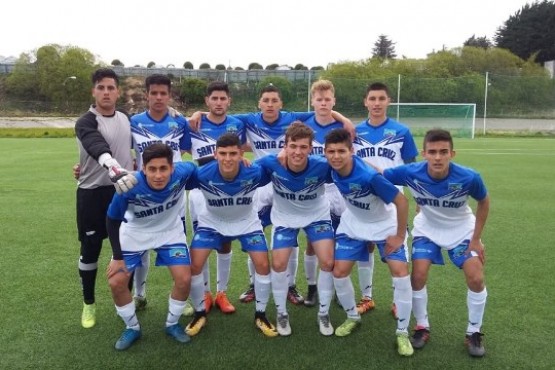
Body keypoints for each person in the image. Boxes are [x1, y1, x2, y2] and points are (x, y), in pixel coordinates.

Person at [190, 84, 354, 306]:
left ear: (281, 103)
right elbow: (220, 112)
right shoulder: (248, 120)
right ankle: (253, 284)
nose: (270, 104)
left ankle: (291, 285)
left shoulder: (292, 117)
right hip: (262, 179)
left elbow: (321, 109)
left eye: (274, 100)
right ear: (259, 103)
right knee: (257, 232)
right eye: (265, 100)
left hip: (287, 180)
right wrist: (197, 113)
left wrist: (344, 119)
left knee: (290, 235)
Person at [382, 129, 490, 357]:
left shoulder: (469, 177)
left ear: (452, 153)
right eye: (432, 152)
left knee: (476, 277)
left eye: (443, 152)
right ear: (424, 154)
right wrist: (349, 161)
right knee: (418, 275)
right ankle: (422, 326)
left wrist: (477, 239)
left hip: (461, 231)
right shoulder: (410, 172)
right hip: (427, 229)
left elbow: (484, 202)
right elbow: (379, 175)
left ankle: (474, 331)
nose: (438, 157)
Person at [324, 128, 413, 356]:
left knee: (400, 272)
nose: (335, 156)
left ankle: (402, 332)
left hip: (384, 225)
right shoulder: (330, 167)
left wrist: (399, 236)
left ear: (351, 151)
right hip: (354, 223)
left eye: (341, 151)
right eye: (331, 152)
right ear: (325, 153)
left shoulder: (368, 177)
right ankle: (352, 317)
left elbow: (401, 202)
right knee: (339, 271)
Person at [183, 133, 277, 337]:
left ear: (241, 153)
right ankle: (199, 313)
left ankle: (260, 315)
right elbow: (179, 174)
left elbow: (275, 162)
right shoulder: (202, 174)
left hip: (247, 223)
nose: (227, 158)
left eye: (233, 153)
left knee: (262, 264)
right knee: (194, 265)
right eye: (223, 153)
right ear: (215, 154)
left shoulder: (254, 171)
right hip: (212, 223)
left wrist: (261, 159)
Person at [105, 143, 196, 350]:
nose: (158, 175)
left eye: (163, 168)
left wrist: (242, 162)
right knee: (116, 281)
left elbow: (203, 172)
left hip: (169, 232)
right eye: (152, 169)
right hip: (134, 233)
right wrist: (117, 257)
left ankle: (172, 324)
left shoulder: (184, 171)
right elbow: (111, 220)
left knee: (184, 279)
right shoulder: (129, 185)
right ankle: (132, 327)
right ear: (142, 168)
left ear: (172, 168)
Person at [256, 122, 336, 336]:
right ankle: (282, 313)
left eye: (303, 147)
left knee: (328, 262)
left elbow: (350, 166)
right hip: (285, 218)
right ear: (285, 146)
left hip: (316, 217)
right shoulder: (271, 163)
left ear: (311, 148)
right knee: (279, 263)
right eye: (293, 146)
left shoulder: (322, 165)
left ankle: (323, 312)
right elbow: (244, 170)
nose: (297, 152)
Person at [74, 68, 136, 329]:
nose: (106, 92)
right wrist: (113, 167)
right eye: (101, 87)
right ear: (93, 91)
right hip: (91, 193)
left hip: (121, 193)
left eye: (111, 87)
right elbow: (96, 144)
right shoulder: (85, 121)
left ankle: (127, 298)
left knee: (125, 250)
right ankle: (89, 303)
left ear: (118, 91)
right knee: (91, 251)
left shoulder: (127, 118)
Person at [352, 82, 418, 315]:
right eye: (372, 98)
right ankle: (366, 297)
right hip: (364, 202)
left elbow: (413, 170)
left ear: (389, 101)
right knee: (365, 246)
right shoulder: (355, 132)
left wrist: (418, 201)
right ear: (366, 102)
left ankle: (398, 300)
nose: (377, 103)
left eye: (381, 98)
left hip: (393, 203)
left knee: (397, 249)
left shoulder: (402, 131)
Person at [184, 81, 248, 314]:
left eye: (223, 98)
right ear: (207, 100)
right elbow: (174, 151)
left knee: (224, 241)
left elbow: (242, 150)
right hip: (201, 192)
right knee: (203, 243)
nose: (219, 102)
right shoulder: (193, 124)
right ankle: (206, 293)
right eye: (215, 98)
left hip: (229, 192)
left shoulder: (237, 124)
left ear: (229, 101)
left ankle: (222, 293)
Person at [128, 74, 190, 312]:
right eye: (154, 93)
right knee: (140, 244)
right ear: (146, 95)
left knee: (178, 243)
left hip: (174, 195)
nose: (159, 97)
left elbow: (183, 151)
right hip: (143, 194)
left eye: (163, 93)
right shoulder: (134, 122)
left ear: (169, 96)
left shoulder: (179, 122)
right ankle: (140, 295)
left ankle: (180, 296)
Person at [299, 79, 346, 307]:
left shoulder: (341, 128)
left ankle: (336, 285)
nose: (324, 103)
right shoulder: (304, 125)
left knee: (337, 238)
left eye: (328, 99)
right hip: (314, 189)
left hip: (338, 187)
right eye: (319, 99)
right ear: (313, 101)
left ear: (333, 101)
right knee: (312, 240)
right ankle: (312, 287)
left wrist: (344, 119)